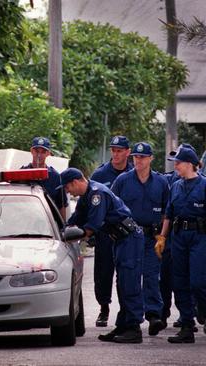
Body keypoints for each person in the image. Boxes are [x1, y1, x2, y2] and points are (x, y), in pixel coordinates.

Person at [61, 168, 144, 343]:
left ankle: (134, 328)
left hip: (129, 238)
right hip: (119, 239)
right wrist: (62, 231)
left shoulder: (97, 194)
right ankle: (123, 324)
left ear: (76, 182)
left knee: (129, 282)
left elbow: (92, 226)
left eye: (68, 187)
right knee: (121, 283)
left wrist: (76, 236)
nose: (68, 192)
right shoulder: (86, 197)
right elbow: (76, 218)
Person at [156, 145, 206, 343]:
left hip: (199, 237)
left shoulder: (205, 185)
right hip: (179, 237)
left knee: (198, 281)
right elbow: (169, 214)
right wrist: (162, 237)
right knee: (179, 282)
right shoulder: (176, 185)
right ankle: (186, 326)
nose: (175, 166)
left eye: (178, 162)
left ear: (189, 164)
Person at [111, 142, 170, 335]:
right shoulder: (122, 181)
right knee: (128, 278)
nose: (138, 160)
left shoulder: (161, 182)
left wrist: (162, 235)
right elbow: (112, 206)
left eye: (143, 157)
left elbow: (167, 211)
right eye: (136, 157)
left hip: (151, 237)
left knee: (152, 276)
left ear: (151, 158)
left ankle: (154, 315)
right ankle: (129, 316)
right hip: (128, 238)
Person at [89, 135, 133, 327]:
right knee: (103, 273)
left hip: (127, 233)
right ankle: (104, 308)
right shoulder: (100, 175)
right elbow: (90, 203)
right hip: (105, 233)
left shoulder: (135, 173)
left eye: (119, 150)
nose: (115, 154)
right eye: (113, 150)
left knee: (126, 273)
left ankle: (125, 310)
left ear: (127, 152)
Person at [21, 137, 68, 219]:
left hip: (49, 223)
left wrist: (63, 228)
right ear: (31, 151)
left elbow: (61, 205)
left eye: (43, 152)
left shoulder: (55, 177)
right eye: (36, 151)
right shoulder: (21, 173)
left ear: (48, 153)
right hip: (25, 220)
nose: (39, 155)